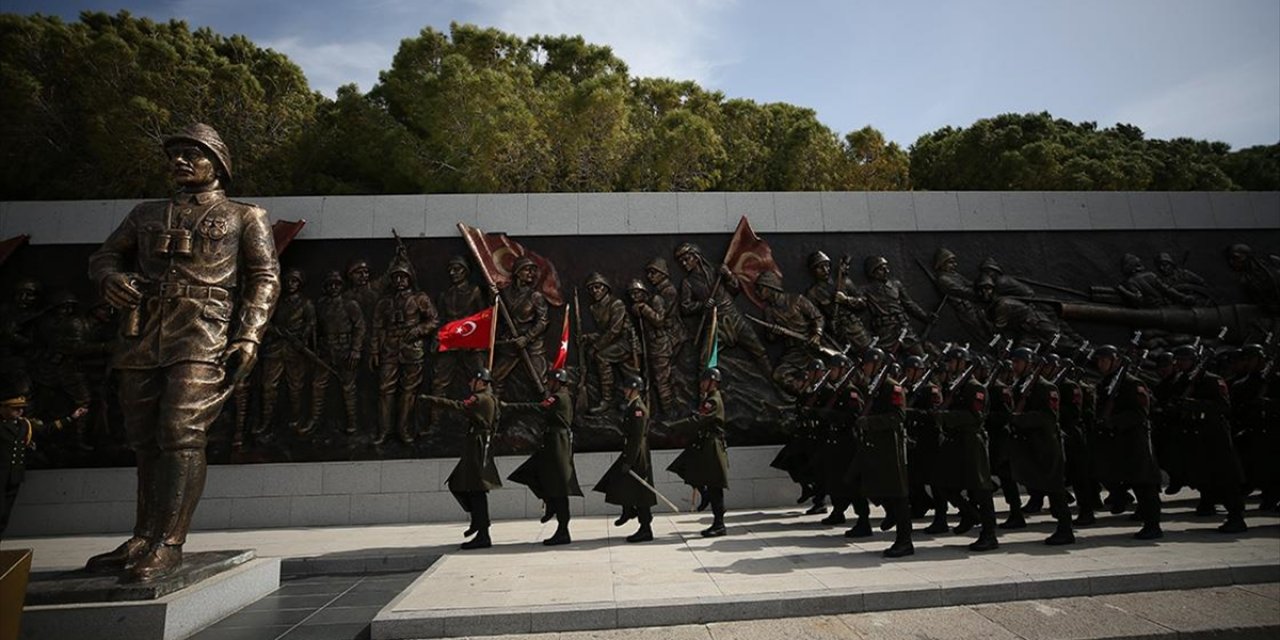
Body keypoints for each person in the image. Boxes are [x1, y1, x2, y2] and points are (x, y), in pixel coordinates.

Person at [85, 123, 280, 582]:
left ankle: (169, 542)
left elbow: (265, 277)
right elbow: (104, 257)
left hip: (201, 332)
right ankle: (143, 535)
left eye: (193, 153)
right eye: (175, 154)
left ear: (218, 164)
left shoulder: (243, 216)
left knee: (181, 431)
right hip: (143, 330)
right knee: (144, 437)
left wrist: (249, 335)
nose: (180, 161)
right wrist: (110, 279)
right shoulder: (144, 214)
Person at [420, 369, 502, 550]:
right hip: (478, 444)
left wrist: (429, 400)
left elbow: (458, 406)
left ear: (480, 382)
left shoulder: (479, 399)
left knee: (475, 490)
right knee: (463, 485)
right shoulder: (491, 398)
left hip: (478, 446)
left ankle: (481, 532)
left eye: (472, 380)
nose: (469, 383)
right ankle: (479, 525)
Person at [1090, 345, 1163, 540]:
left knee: (1144, 483)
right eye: (1099, 360)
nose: (1101, 363)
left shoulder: (1131, 383)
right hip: (1117, 441)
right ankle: (1124, 500)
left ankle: (1153, 524)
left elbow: (1140, 413)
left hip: (1135, 440)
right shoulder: (1107, 383)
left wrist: (1113, 421)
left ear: (1116, 361)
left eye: (1105, 360)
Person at [504, 368, 582, 546]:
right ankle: (549, 501)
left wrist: (509, 406)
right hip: (550, 444)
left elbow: (538, 407)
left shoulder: (559, 397)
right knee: (527, 473)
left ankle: (563, 530)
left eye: (550, 381)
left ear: (557, 381)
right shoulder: (562, 396)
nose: (548, 384)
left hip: (557, 445)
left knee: (560, 489)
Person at [849, 347, 914, 558]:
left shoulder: (891, 387)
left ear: (877, 363)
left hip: (890, 448)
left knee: (898, 495)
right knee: (862, 483)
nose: (864, 367)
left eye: (867, 363)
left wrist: (869, 422)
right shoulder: (875, 386)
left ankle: (905, 541)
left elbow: (897, 416)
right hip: (875, 447)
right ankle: (891, 517)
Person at [1006, 348, 1075, 545]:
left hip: (1045, 445)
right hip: (1029, 445)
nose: (1014, 366)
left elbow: (1049, 417)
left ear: (1029, 364)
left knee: (1054, 488)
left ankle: (1065, 529)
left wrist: (1021, 419)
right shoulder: (1022, 385)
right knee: (1046, 486)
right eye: (1014, 362)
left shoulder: (1046, 387)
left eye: (1018, 362)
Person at [934, 346, 1000, 552]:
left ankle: (989, 535)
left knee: (981, 489)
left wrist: (945, 417)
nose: (950, 366)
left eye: (954, 361)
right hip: (955, 441)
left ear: (963, 362)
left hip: (972, 442)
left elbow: (975, 417)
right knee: (944, 484)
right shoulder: (957, 386)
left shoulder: (975, 388)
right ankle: (970, 514)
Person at [1, 387, 87, 539]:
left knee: (4, 515)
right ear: (3, 408)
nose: (20, 411)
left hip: (14, 476)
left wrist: (71, 417)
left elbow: (47, 429)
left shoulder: (24, 425)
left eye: (21, 409)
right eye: (15, 409)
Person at [371, 260, 438, 445]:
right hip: (390, 348)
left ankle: (404, 430)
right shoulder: (385, 302)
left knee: (409, 391)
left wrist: (418, 330)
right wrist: (375, 351)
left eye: (403, 277)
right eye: (396, 277)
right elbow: (377, 327)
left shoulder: (419, 299)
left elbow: (433, 320)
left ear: (410, 279)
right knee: (385, 390)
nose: (400, 280)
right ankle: (383, 431)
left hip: (412, 349)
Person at [666, 367, 730, 537]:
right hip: (704, 445)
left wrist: (674, 426)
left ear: (713, 382)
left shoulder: (713, 401)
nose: (701, 384)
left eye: (704, 381)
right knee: (684, 468)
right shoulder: (708, 399)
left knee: (715, 487)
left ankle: (719, 524)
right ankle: (705, 495)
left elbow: (699, 420)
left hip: (712, 447)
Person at [594, 374, 658, 542]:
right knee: (618, 481)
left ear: (635, 389)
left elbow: (636, 438)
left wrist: (629, 462)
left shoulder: (638, 409)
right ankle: (628, 510)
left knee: (641, 493)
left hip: (637, 456)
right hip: (631, 452)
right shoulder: (631, 406)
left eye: (627, 388)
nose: (625, 390)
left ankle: (645, 528)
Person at [308, 271, 366, 436]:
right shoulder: (321, 304)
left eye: (337, 284)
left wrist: (355, 350)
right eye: (330, 285)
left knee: (348, 387)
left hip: (345, 350)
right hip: (326, 350)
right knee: (318, 385)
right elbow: (316, 328)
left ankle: (353, 422)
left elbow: (360, 327)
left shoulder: (350, 304)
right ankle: (315, 420)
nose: (333, 287)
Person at [582, 273, 639, 414]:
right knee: (628, 374)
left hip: (626, 343)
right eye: (591, 289)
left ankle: (607, 400)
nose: (595, 291)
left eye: (598, 287)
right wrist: (588, 337)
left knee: (602, 357)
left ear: (606, 288)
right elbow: (604, 332)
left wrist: (595, 346)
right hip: (614, 342)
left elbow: (615, 330)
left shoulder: (616, 304)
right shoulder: (594, 308)